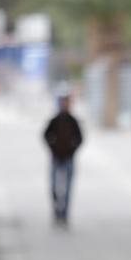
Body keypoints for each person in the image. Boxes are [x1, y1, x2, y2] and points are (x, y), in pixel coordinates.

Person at [43, 90, 83, 225]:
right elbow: (46, 135)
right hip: (56, 157)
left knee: (67, 188)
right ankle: (56, 211)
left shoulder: (73, 121)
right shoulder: (54, 120)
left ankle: (64, 214)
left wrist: (72, 150)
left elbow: (80, 138)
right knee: (54, 187)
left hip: (68, 157)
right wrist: (52, 148)